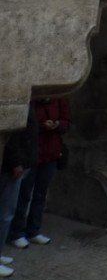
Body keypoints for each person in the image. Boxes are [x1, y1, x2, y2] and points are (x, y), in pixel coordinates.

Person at [9, 96, 70, 249]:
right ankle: (17, 232)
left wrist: (57, 125)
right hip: (32, 154)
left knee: (40, 194)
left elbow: (66, 121)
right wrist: (42, 125)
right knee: (24, 194)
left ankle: (34, 230)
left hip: (50, 153)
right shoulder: (32, 101)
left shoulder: (58, 99)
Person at [0, 106, 38, 278]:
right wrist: (16, 163)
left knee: (7, 212)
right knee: (6, 213)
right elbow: (12, 137)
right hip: (11, 167)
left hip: (19, 162)